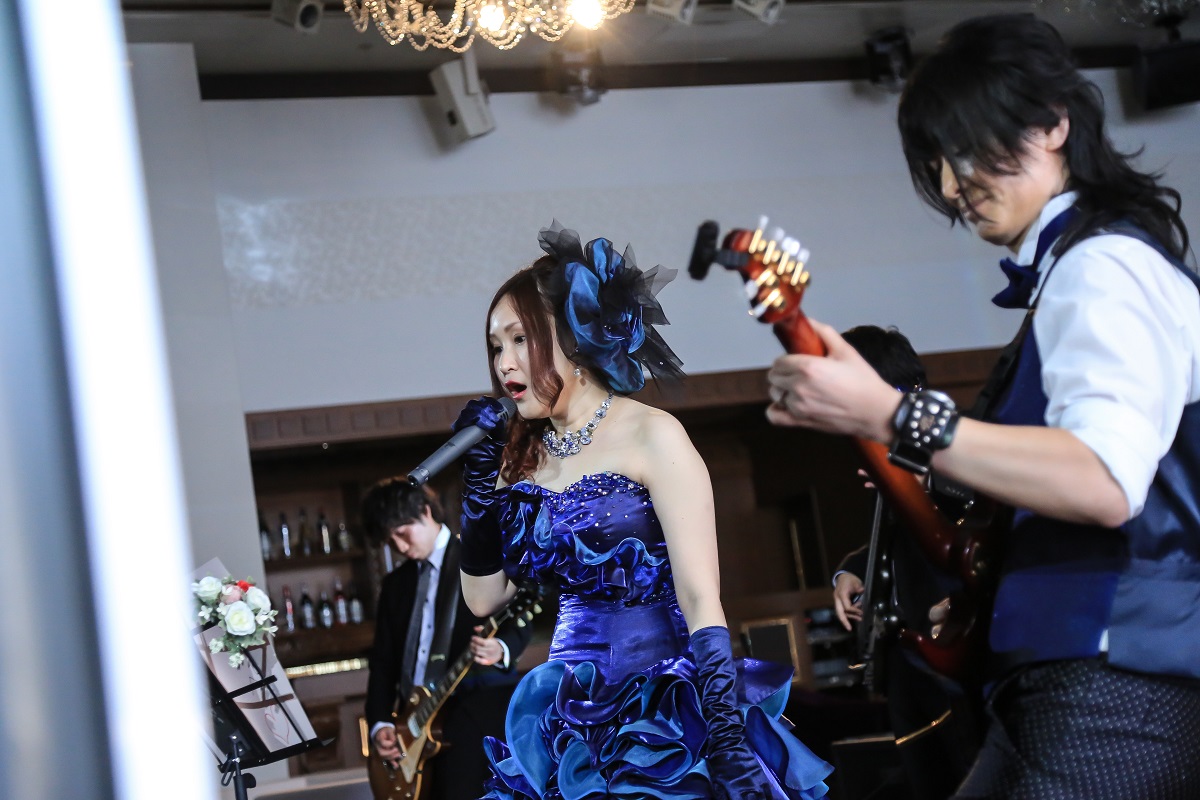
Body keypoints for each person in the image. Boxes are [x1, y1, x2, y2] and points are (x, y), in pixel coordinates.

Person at [765, 13, 1200, 800]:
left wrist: (897, 417)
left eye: (964, 149)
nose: (948, 185)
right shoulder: (1081, 269)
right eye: (935, 162)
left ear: (1053, 123)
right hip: (1082, 669)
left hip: (1117, 671)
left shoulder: (1103, 265)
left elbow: (1104, 481)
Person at [451, 222, 833, 800]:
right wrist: (478, 494)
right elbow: (482, 598)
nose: (505, 363)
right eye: (495, 346)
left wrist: (724, 730)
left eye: (520, 339)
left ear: (572, 336)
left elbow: (699, 595)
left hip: (663, 706)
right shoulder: (519, 461)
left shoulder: (653, 435)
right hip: (570, 717)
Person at [829, 325, 976, 800]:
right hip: (908, 665)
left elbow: (974, 511)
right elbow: (901, 536)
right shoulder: (888, 446)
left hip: (950, 651)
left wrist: (920, 479)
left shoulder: (950, 437)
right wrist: (851, 570)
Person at [362, 478, 532, 800]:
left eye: (402, 533)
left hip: (471, 715)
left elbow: (518, 617)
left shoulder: (480, 559)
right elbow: (383, 662)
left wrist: (501, 647)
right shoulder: (395, 584)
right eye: (390, 541)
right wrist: (380, 723)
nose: (400, 547)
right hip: (412, 725)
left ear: (425, 511)